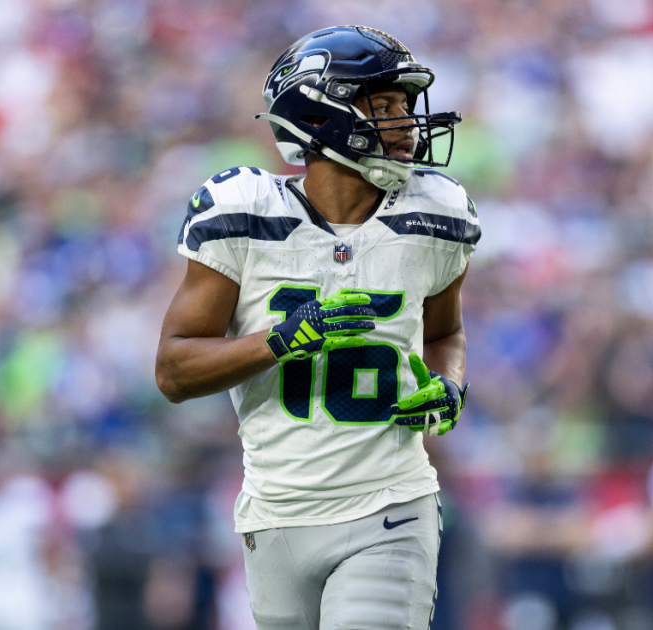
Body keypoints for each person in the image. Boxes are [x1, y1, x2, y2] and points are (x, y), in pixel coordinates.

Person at [154, 25, 479, 629]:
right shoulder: (245, 212)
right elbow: (174, 370)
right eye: (384, 104)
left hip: (390, 501)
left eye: (405, 104)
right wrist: (284, 339)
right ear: (319, 114)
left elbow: (444, 333)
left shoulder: (434, 212)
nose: (407, 122)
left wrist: (449, 384)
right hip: (276, 511)